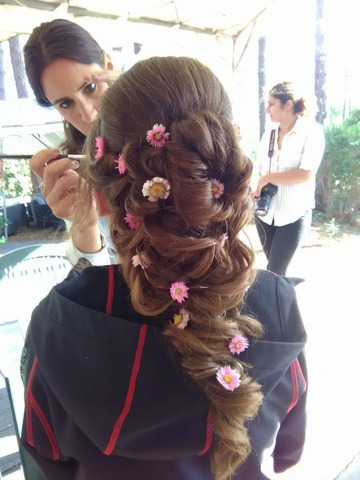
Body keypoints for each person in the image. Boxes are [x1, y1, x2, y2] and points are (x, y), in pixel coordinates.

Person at [21, 57, 308, 480]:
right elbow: (288, 452)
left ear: (100, 197)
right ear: (229, 179)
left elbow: (46, 461)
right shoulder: (278, 306)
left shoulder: (59, 325)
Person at [23, 18, 120, 265]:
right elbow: (93, 283)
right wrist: (83, 225)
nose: (88, 114)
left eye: (90, 88)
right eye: (66, 104)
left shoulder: (166, 130)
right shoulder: (76, 170)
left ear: (108, 66)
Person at [252, 81, 325, 275]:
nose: (267, 109)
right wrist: (256, 188)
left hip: (294, 214)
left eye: (271, 104)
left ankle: (279, 305)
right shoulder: (270, 132)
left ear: (288, 104)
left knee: (274, 272)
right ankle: (288, 304)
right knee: (277, 273)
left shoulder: (312, 131)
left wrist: (268, 178)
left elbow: (306, 173)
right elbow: (260, 168)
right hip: (265, 213)